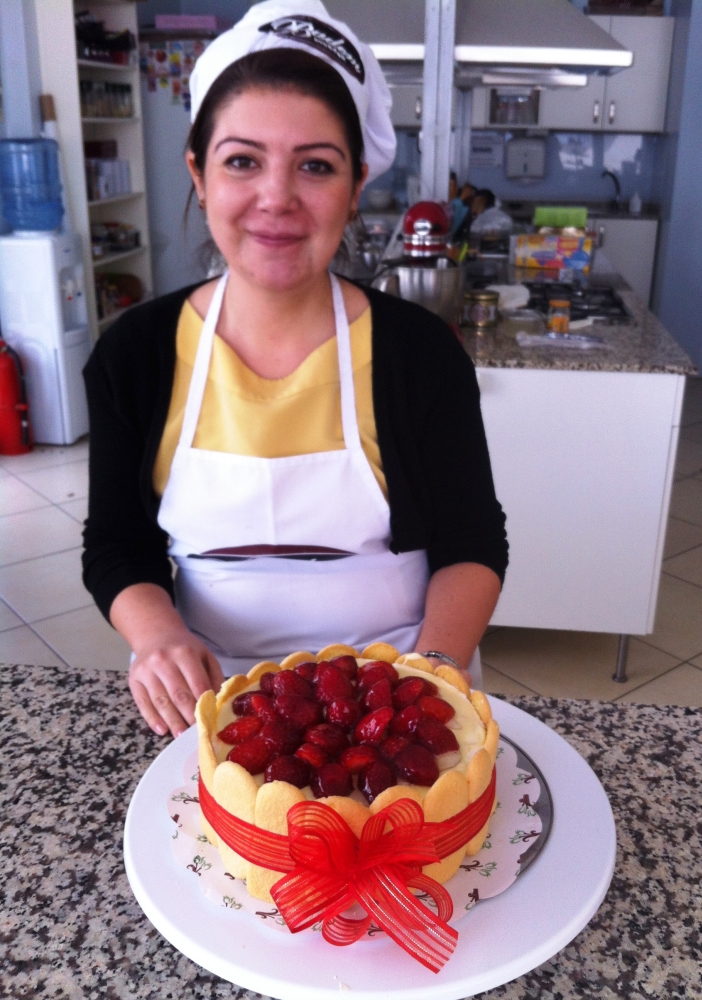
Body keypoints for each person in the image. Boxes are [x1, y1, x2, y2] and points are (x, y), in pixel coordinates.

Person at [82, 0, 508, 740]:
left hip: (398, 692)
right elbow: (117, 543)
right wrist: (157, 638)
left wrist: (431, 676)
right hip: (212, 705)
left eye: (315, 165)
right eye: (242, 160)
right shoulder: (136, 352)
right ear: (199, 173)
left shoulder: (417, 351)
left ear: (356, 184)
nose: (276, 198)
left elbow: (471, 542)